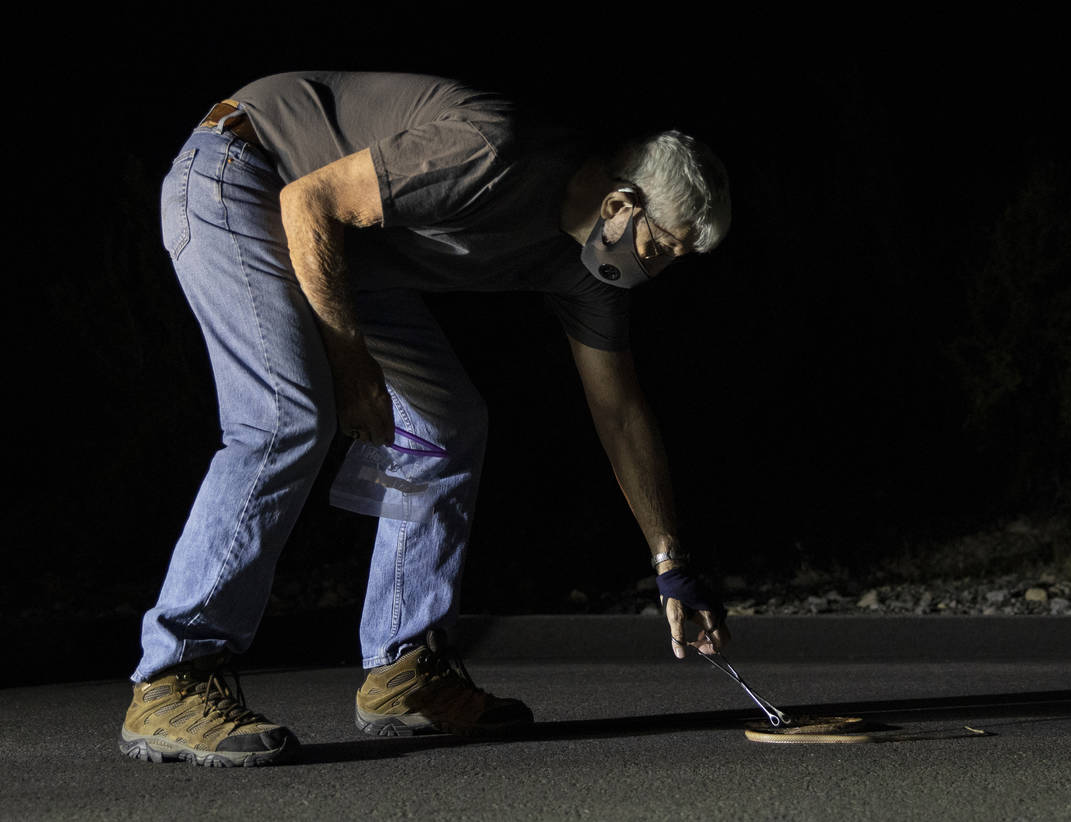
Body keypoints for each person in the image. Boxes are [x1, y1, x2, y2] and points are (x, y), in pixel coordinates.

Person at [120, 71, 733, 766]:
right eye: (661, 248)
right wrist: (352, 373)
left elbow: (620, 411)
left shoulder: (588, 273)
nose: (655, 270)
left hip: (348, 252)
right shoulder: (493, 151)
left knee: (446, 423)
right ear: (622, 204)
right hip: (244, 171)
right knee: (286, 415)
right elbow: (309, 201)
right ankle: (173, 674)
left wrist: (671, 562)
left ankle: (402, 670)